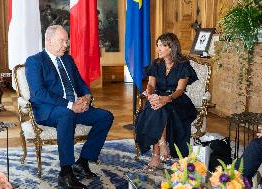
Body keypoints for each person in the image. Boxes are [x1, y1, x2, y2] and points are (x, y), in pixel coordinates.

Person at [25, 25, 114, 189]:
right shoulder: (35, 61)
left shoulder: (68, 59)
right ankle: (65, 172)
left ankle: (83, 161)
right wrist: (69, 105)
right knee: (66, 115)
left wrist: (87, 97)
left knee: (105, 116)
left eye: (66, 41)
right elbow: (38, 93)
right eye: (62, 41)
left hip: (74, 107)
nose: (66, 45)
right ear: (49, 41)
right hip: (49, 110)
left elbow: (80, 82)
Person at [135, 32, 198, 171]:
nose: (158, 49)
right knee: (156, 107)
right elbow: (151, 85)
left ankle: (155, 157)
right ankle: (162, 143)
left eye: (161, 46)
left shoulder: (183, 65)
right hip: (158, 97)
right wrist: (151, 95)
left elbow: (180, 89)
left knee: (160, 108)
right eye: (157, 45)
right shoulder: (156, 64)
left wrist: (167, 99)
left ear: (171, 47)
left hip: (177, 100)